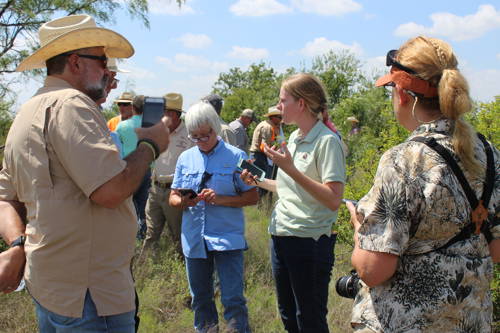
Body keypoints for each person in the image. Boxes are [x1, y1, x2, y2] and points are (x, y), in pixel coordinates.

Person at [0, 14, 171, 332]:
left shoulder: (27, 112)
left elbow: (5, 199)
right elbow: (110, 192)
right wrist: (150, 146)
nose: (109, 72)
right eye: (102, 61)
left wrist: (15, 245)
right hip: (91, 295)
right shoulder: (72, 106)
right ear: (76, 62)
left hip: (50, 286)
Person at [346, 36, 500, 332]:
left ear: (403, 93)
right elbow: (496, 250)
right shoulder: (490, 154)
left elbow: (373, 270)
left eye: (390, 89)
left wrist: (359, 230)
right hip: (471, 322)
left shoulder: (404, 160)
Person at [241, 73, 346, 333]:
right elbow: (291, 189)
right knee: (288, 316)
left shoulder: (327, 141)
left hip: (309, 241)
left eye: (282, 101)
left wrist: (290, 169)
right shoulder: (295, 139)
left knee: (309, 319)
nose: (278, 107)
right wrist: (259, 182)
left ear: (301, 104)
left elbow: (333, 199)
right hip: (281, 235)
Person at [169, 101, 259, 333]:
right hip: (195, 239)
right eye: (194, 137)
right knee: (200, 299)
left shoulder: (237, 157)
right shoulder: (185, 158)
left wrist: (219, 199)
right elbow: (173, 198)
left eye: (205, 135)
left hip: (227, 239)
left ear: (216, 129)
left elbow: (252, 197)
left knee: (233, 299)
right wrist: (185, 201)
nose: (200, 141)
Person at [142, 92, 194, 255]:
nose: (163, 115)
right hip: (156, 188)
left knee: (177, 234)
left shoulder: (188, 134)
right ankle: (144, 265)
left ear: (175, 114)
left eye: (167, 112)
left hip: (176, 190)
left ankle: (183, 268)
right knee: (151, 233)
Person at [116, 95, 151, 239]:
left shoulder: (122, 126)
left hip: (127, 170)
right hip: (147, 171)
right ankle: (140, 237)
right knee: (143, 209)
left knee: (127, 208)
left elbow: (117, 150)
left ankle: (127, 239)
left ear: (133, 108)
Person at [248, 107, 283, 197]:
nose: (281, 119)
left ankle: (260, 204)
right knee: (260, 182)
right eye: (279, 117)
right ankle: (259, 204)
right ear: (273, 117)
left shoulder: (272, 126)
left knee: (261, 181)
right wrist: (273, 157)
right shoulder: (267, 127)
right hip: (259, 156)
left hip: (260, 156)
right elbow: (264, 146)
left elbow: (278, 141)